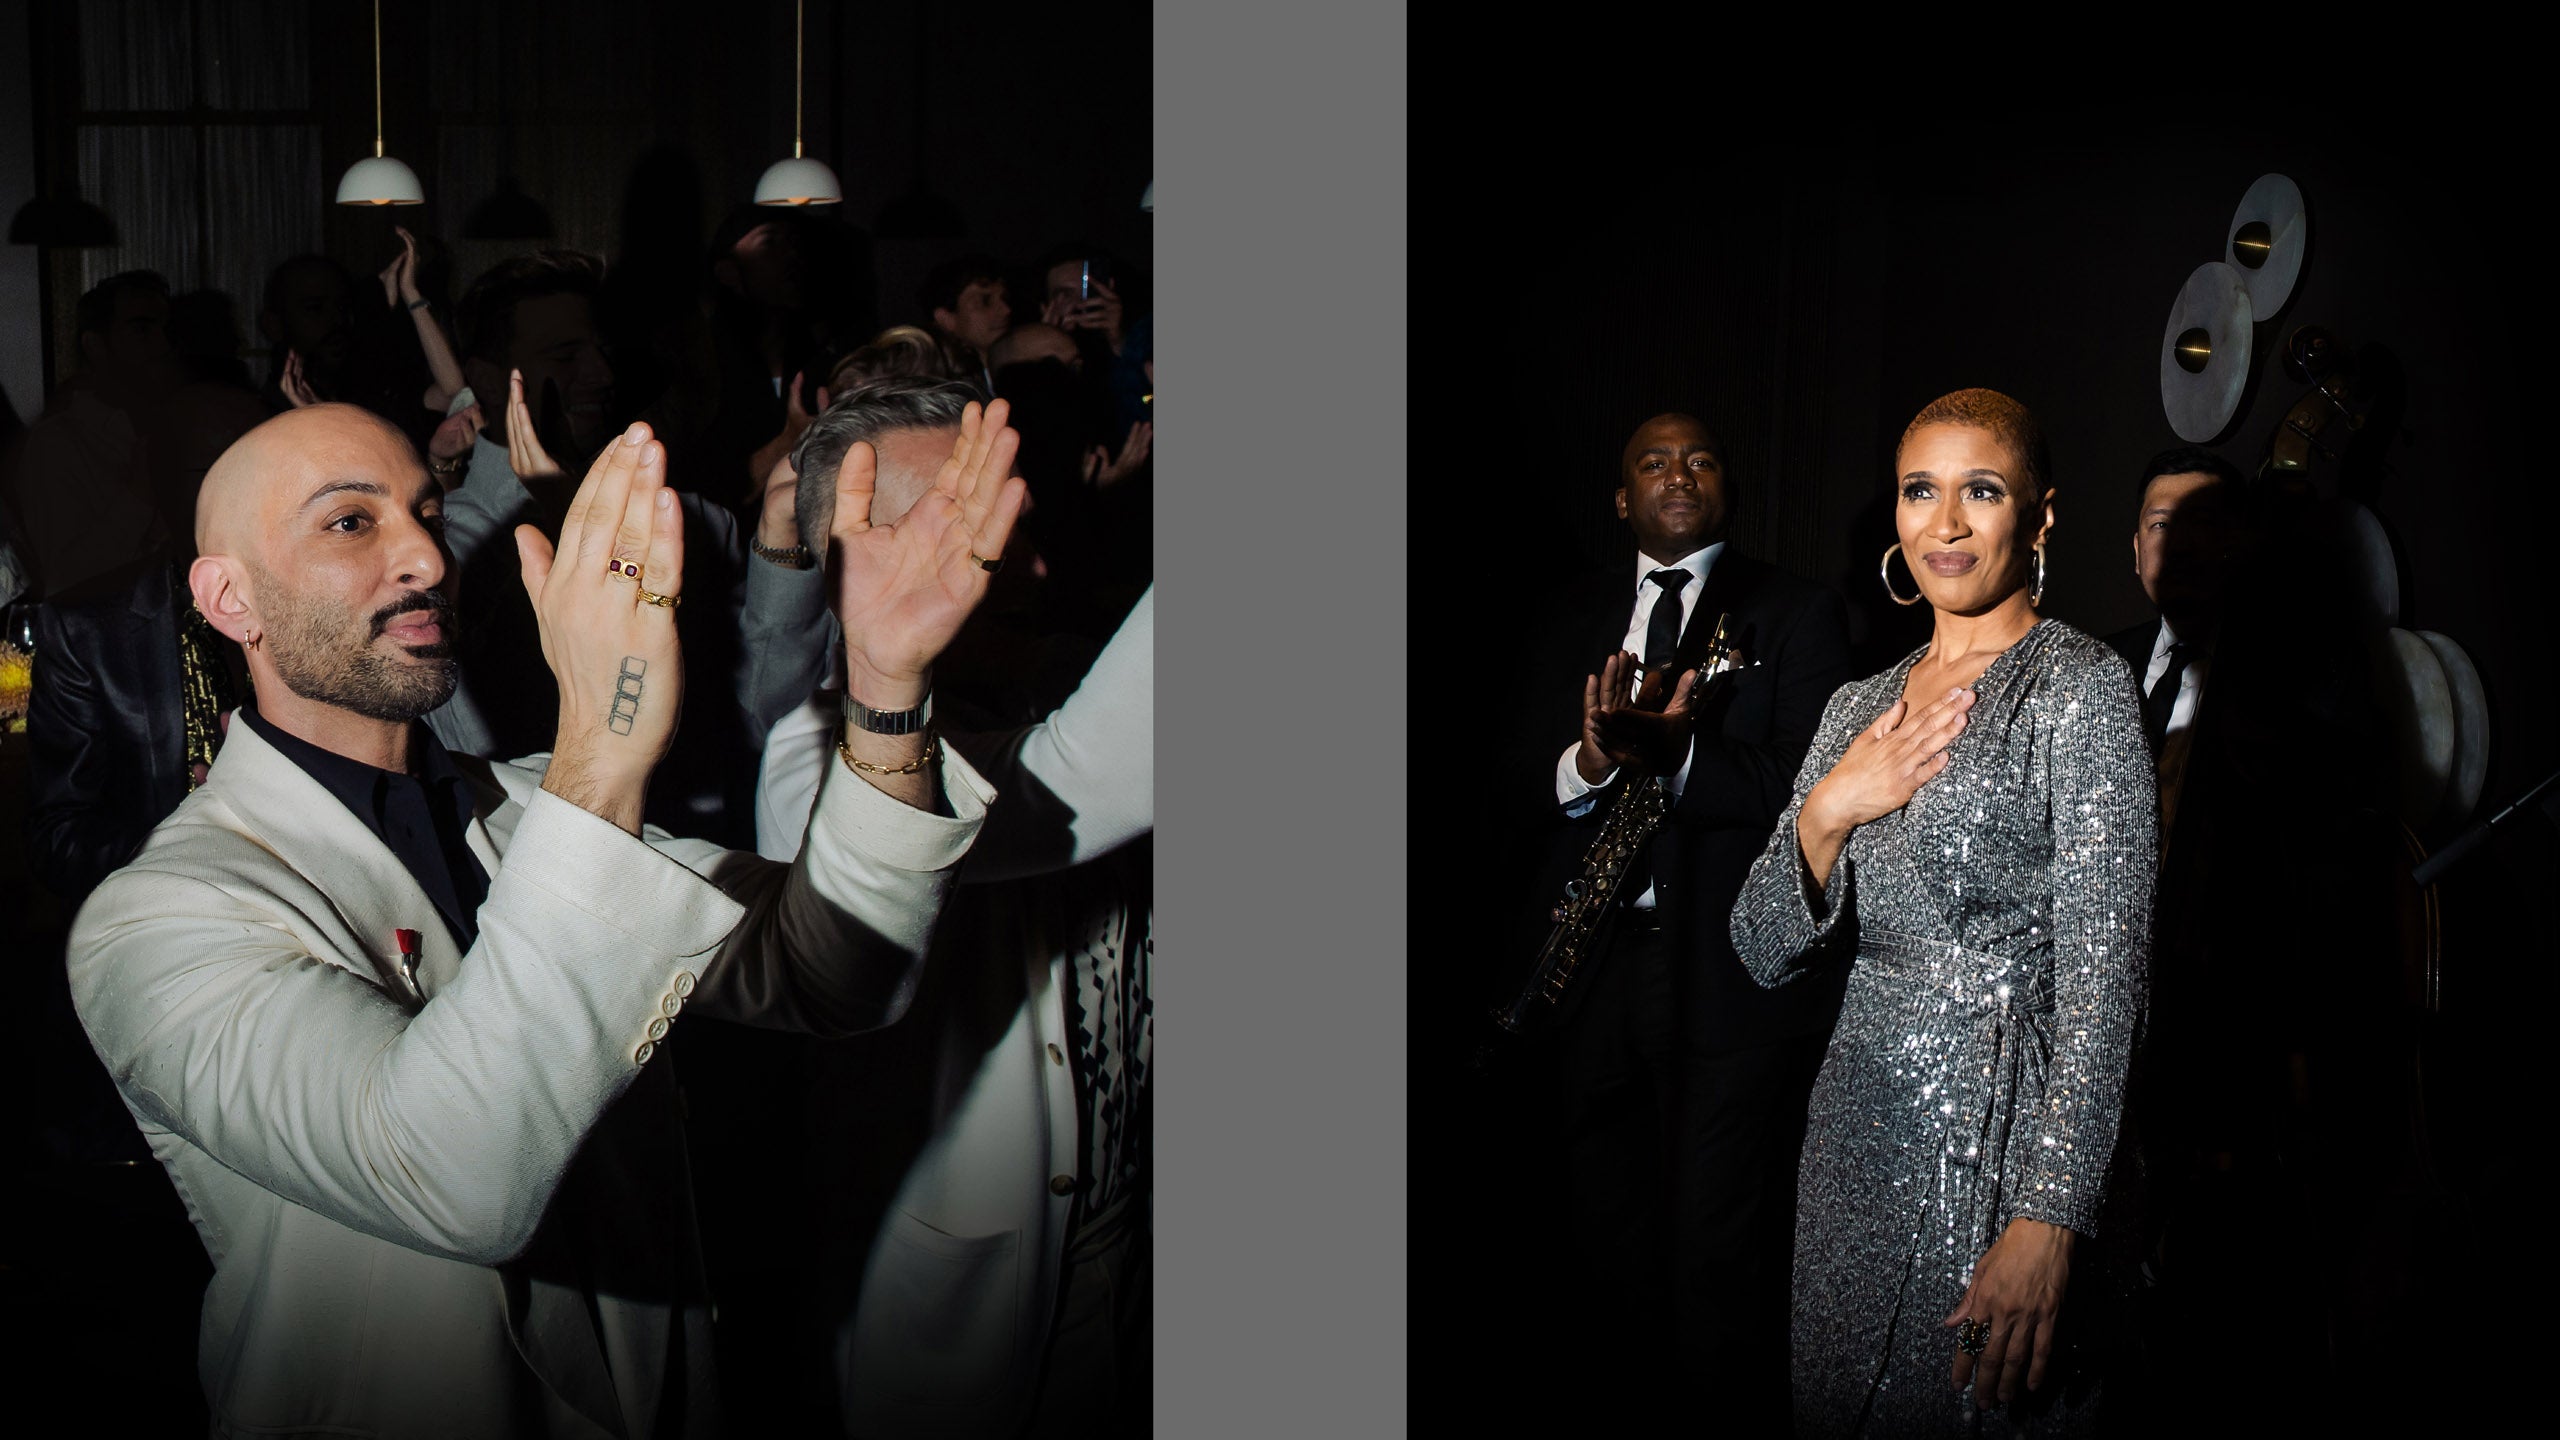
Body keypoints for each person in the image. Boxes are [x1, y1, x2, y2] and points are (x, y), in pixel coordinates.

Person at [68, 396, 1028, 1439]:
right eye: (352, 522)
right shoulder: (156, 918)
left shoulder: (536, 805)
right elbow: (453, 1181)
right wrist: (601, 756)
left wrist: (886, 692)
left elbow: (837, 974)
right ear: (230, 599)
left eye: (426, 513)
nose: (427, 558)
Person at [1729, 388, 2155, 1434]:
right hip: (1850, 1144)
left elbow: (2110, 983)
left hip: (2001, 1153)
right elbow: (1756, 946)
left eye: (1982, 490)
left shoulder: (2081, 687)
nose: (1946, 523)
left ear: (2038, 516)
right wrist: (1829, 809)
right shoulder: (1853, 706)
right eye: (1920, 490)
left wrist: (2048, 1219)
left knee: (1974, 1396)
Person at [1499, 411, 1854, 1426]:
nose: (1679, 473)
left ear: (1726, 489)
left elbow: (1808, 789)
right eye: (1653, 461)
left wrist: (1681, 759)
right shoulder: (1563, 616)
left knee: (1714, 1247)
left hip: (1723, 980)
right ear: (1621, 498)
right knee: (1599, 1234)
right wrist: (1591, 765)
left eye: (1700, 458)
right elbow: (1506, 788)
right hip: (1587, 974)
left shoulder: (1794, 612)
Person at [760, 584, 1154, 1440]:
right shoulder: (814, 751)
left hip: (1118, 1230)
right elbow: (1086, 777)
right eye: (954, 518)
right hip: (956, 1288)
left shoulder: (1043, 679)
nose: (1008, 559)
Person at [3, 270, 178, 601]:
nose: (163, 346)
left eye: (167, 330)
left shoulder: (180, 425)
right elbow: (65, 581)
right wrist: (139, 495)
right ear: (96, 345)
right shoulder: (56, 444)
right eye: (142, 329)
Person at [923, 253, 1013, 394]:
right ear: (946, 318)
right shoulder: (941, 391)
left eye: (1005, 299)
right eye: (985, 301)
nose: (1006, 310)